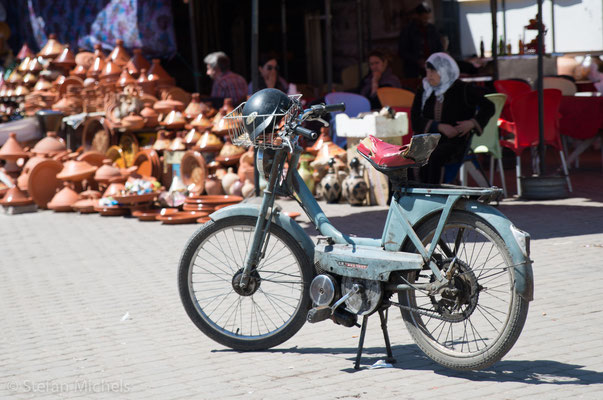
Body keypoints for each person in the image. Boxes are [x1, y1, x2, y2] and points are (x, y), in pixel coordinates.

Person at [410, 52, 494, 184]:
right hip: (426, 140)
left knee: (435, 156)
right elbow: (415, 120)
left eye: (433, 71)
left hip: (454, 142)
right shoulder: (424, 90)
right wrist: (438, 126)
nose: (429, 75)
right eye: (428, 70)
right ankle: (404, 201)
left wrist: (472, 123)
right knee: (403, 161)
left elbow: (489, 106)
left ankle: (434, 197)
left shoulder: (462, 89)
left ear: (445, 71)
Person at [398, 2, 443, 79]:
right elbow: (402, 51)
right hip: (413, 69)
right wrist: (417, 60)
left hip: (431, 66)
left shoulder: (432, 29)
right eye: (424, 18)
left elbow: (439, 46)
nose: (426, 20)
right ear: (417, 16)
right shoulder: (408, 30)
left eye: (427, 18)